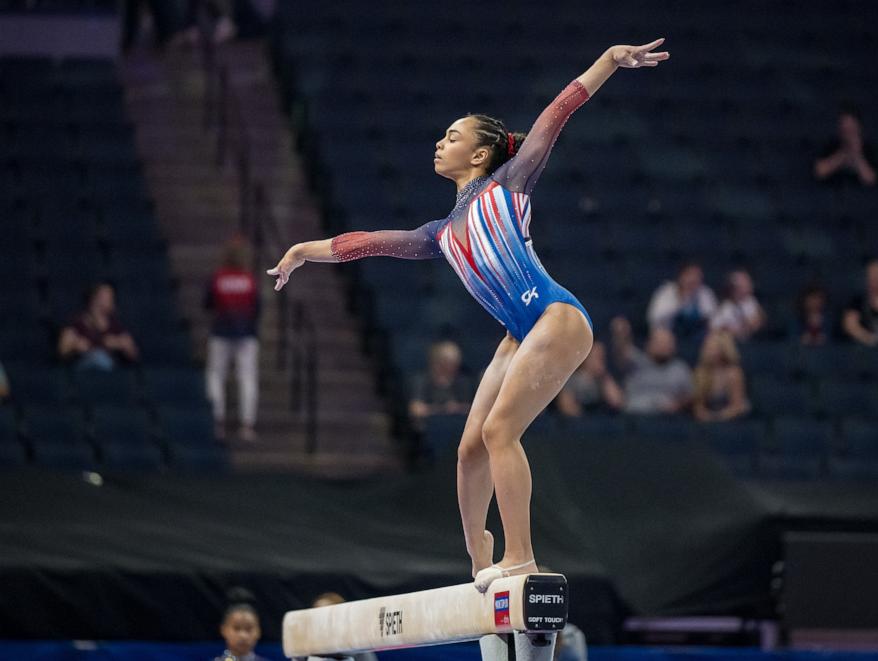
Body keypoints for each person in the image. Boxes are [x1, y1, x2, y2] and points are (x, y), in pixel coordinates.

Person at [267, 38, 671, 592]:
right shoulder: (439, 233)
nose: (440, 142)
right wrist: (303, 252)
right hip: (520, 333)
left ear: (480, 155)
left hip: (556, 317)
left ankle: (522, 557)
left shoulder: (509, 183)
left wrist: (608, 61)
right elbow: (369, 243)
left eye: (452, 136)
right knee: (469, 448)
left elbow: (557, 113)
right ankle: (479, 553)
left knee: (502, 430)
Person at [205, 237, 260, 442]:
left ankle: (216, 421)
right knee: (246, 378)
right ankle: (247, 424)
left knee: (216, 376)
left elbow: (208, 302)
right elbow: (256, 307)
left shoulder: (218, 278)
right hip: (245, 333)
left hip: (222, 331)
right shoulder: (249, 279)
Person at [610, 317, 693, 415]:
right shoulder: (636, 361)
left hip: (666, 421)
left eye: (667, 343)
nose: (664, 346)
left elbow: (690, 397)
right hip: (633, 419)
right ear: (649, 344)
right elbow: (622, 350)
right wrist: (621, 334)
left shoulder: (680, 369)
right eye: (660, 342)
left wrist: (677, 405)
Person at [58, 283, 139, 370]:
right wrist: (75, 346)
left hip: (110, 373)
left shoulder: (116, 327)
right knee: (98, 358)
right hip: (82, 372)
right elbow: (62, 350)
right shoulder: (77, 325)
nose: (110, 300)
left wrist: (119, 344)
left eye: (111, 297)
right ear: (93, 298)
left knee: (101, 358)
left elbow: (133, 354)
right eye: (105, 297)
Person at [408, 341, 476, 427]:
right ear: (438, 362)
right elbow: (416, 409)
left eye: (456, 362)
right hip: (428, 428)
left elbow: (473, 410)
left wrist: (457, 409)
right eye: (449, 362)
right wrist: (442, 410)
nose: (454, 366)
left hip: (457, 426)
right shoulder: (422, 380)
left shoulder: (463, 381)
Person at [646, 262, 718, 339]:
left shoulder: (704, 292)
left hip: (697, 334)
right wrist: (680, 301)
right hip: (669, 332)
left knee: (716, 336)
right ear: (681, 276)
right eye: (689, 275)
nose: (693, 279)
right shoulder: (666, 291)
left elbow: (713, 318)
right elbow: (653, 318)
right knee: (661, 336)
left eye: (697, 276)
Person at [692, 331, 750, 423]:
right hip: (710, 417)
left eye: (714, 348)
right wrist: (705, 415)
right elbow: (698, 405)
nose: (710, 351)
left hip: (733, 418)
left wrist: (718, 418)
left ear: (723, 350)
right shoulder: (701, 372)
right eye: (708, 348)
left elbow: (737, 405)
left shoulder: (733, 373)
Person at [813, 109, 878, 186]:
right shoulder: (832, 146)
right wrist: (842, 154)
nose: (848, 134)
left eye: (851, 129)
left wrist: (856, 155)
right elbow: (820, 172)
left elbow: (871, 179)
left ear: (858, 128)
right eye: (845, 129)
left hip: (861, 194)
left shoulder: (869, 150)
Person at [555, 341, 624, 416]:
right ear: (586, 358)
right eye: (598, 357)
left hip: (602, 422)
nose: (601, 361)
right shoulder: (572, 380)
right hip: (578, 424)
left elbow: (617, 402)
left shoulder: (603, 380)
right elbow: (566, 406)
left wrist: (604, 377)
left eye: (603, 357)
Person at [311, 593, 378, 661]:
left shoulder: (357, 647)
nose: (322, 619)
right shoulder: (306, 649)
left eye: (327, 614)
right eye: (317, 614)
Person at [709, 269, 765, 341]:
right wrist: (730, 330)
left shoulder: (751, 301)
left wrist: (753, 323)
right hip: (731, 342)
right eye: (745, 284)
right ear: (735, 288)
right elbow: (714, 327)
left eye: (748, 283)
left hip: (752, 341)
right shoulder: (726, 306)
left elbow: (758, 321)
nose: (750, 285)